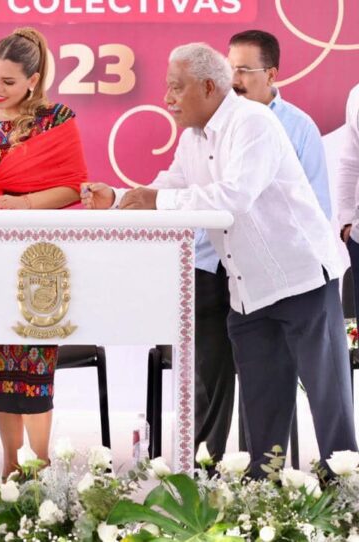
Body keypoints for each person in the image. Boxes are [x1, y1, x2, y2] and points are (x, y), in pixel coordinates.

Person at [83, 43, 356, 477]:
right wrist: (116, 197)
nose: (167, 99)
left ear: (209, 87)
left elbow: (234, 197)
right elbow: (167, 187)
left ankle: (348, 499)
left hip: (302, 279)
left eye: (176, 88)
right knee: (262, 413)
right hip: (247, 292)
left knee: (331, 407)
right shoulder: (192, 138)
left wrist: (156, 200)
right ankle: (263, 504)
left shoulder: (254, 124)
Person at [190, 29, 332, 461]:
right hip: (214, 269)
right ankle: (212, 474)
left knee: (279, 381)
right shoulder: (205, 126)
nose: (233, 79)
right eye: (228, 68)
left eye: (244, 70)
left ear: (271, 74)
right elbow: (192, 190)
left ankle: (274, 477)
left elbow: (312, 206)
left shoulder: (296, 127)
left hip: (278, 274)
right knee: (213, 383)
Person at [0, 27, 88, 477]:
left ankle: (42, 466)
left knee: (34, 362)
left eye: (8, 81)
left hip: (38, 261)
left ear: (33, 80)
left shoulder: (56, 119)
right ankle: (10, 467)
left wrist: (24, 203)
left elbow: (73, 184)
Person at [338, 83, 359, 314]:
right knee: (354, 333)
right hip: (358, 236)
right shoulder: (356, 95)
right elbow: (350, 162)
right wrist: (346, 220)